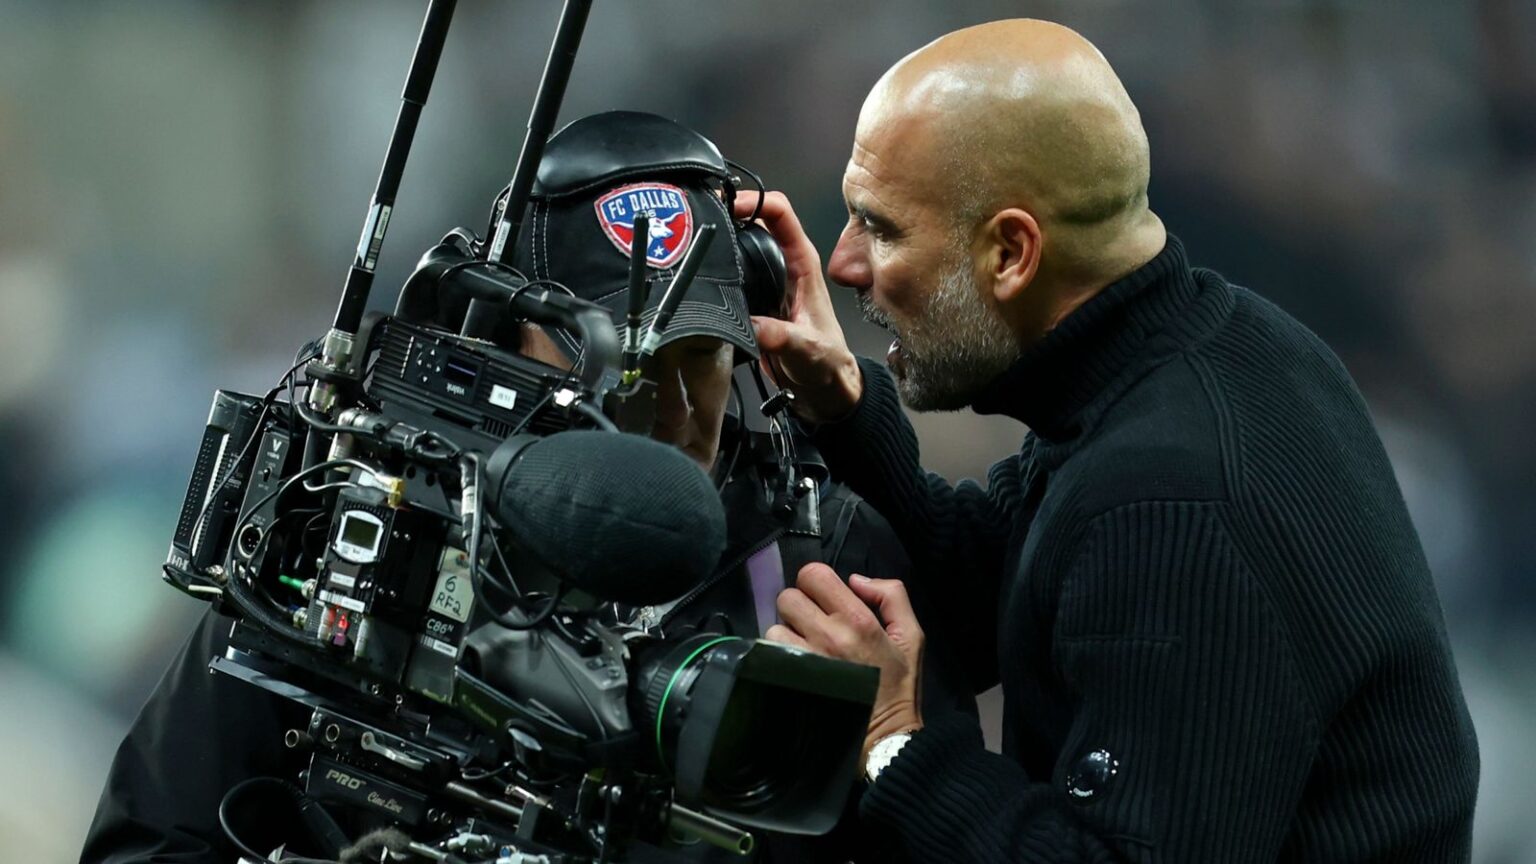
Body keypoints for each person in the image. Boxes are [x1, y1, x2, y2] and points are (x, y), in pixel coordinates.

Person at [80, 113, 972, 864]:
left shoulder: (831, 571)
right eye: (618, 367)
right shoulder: (364, 528)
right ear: (504, 346)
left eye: (696, 358)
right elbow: (148, 839)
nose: (662, 407)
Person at [744, 18, 1480, 863]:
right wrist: (843, 409)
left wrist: (896, 743)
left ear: (1012, 252)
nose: (845, 264)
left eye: (881, 226)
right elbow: (1000, 592)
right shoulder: (1224, 346)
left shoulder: (1171, 496)